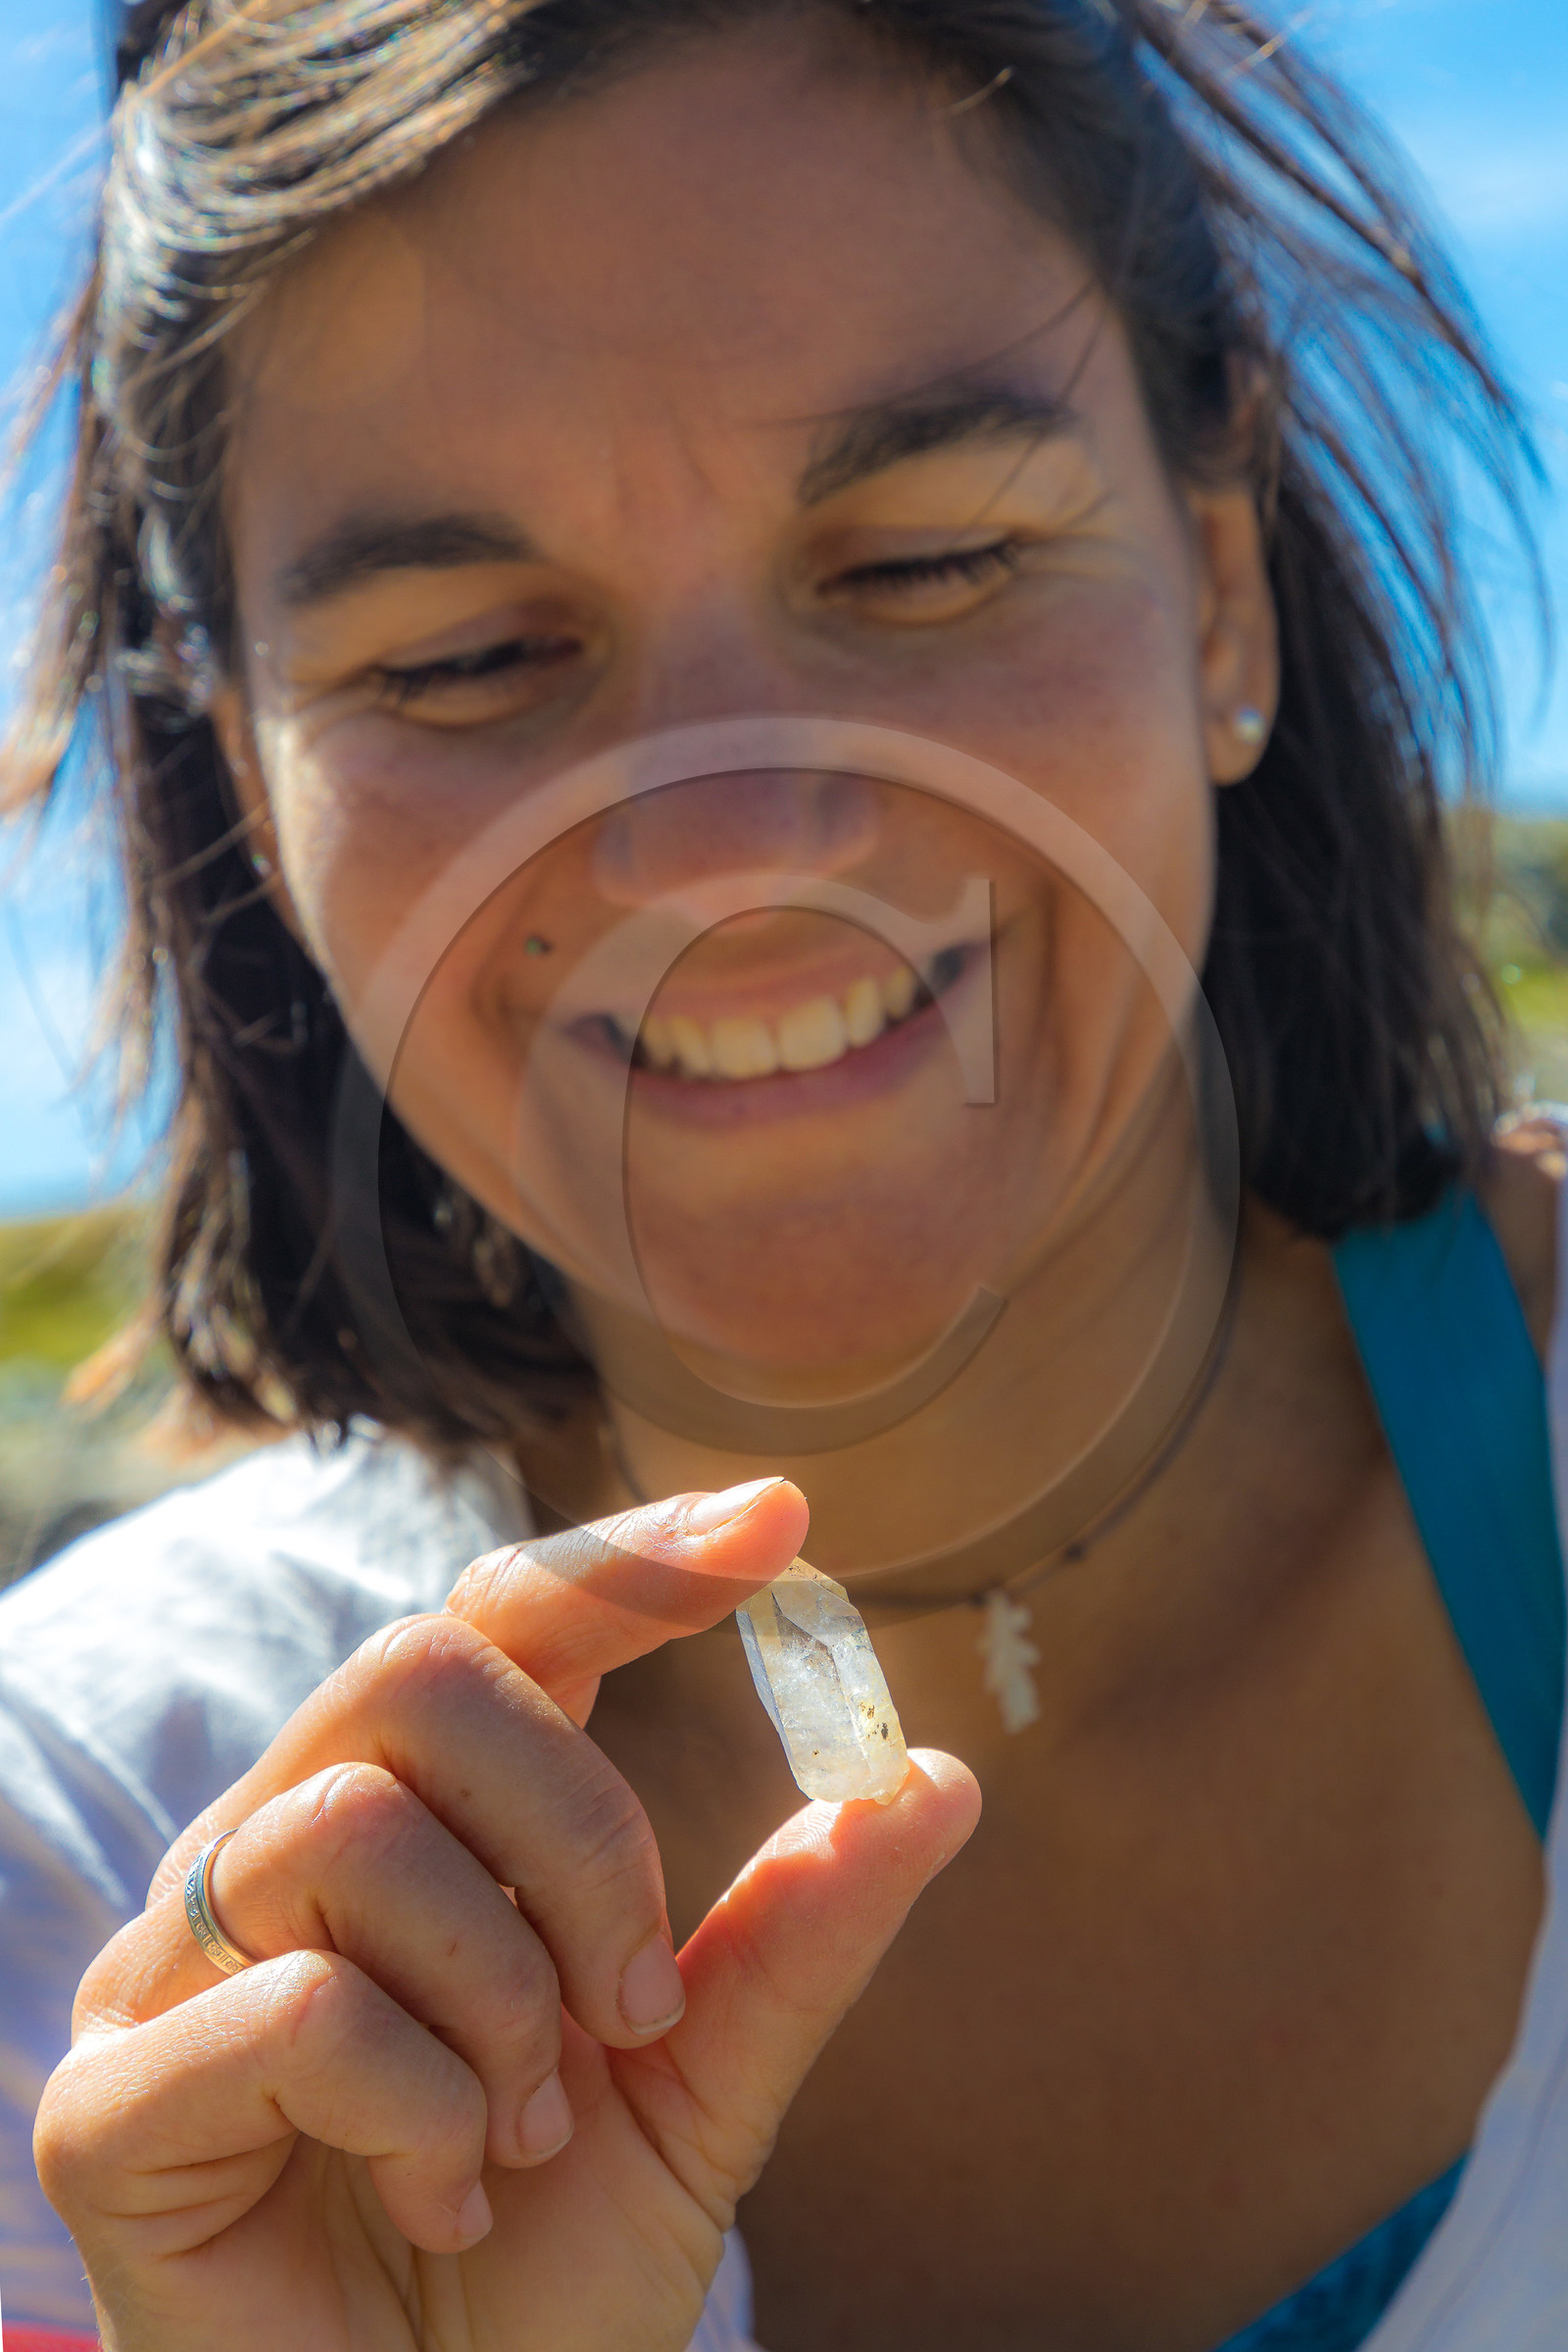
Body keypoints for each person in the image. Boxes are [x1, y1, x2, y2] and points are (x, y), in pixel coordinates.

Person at [2, 1, 1565, 2346]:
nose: (727, 845)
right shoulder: (81, 1890)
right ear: (251, 779)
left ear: (1217, 589)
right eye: (469, 658)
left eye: (924, 559)